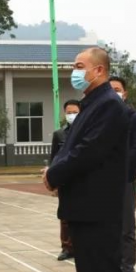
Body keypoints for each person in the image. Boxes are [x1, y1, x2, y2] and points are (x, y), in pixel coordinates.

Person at [43, 46, 130, 272]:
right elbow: (69, 148)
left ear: (99, 71)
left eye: (80, 66)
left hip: (99, 207)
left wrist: (55, 174)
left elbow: (87, 153)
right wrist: (55, 170)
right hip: (83, 206)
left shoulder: (109, 105)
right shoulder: (92, 104)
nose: (74, 71)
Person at [109, 76, 136, 272]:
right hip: (100, 182)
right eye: (110, 89)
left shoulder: (133, 117)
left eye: (117, 89)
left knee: (125, 229)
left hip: (123, 180)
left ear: (125, 93)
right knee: (102, 229)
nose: (114, 93)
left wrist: (118, 169)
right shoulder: (98, 116)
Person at [50, 99, 81, 261]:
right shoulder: (59, 134)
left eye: (75, 112)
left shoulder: (87, 132)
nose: (72, 115)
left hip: (83, 180)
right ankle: (67, 247)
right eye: (69, 113)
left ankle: (82, 246)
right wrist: (53, 182)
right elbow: (54, 159)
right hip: (65, 181)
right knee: (65, 216)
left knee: (83, 216)